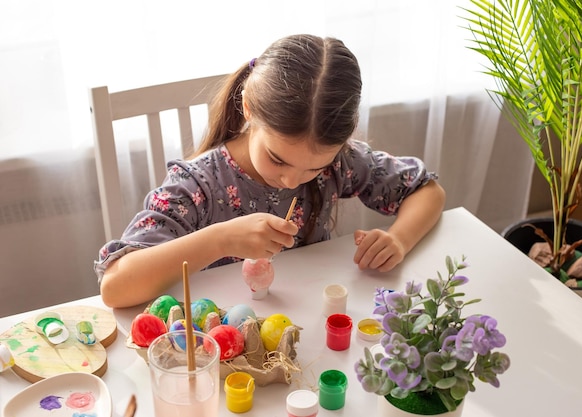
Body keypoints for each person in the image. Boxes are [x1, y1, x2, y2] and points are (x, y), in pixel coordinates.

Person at [95, 34, 446, 308]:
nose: (292, 180)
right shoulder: (198, 185)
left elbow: (427, 191)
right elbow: (115, 286)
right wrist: (221, 239)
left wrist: (398, 239)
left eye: (315, 167)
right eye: (278, 159)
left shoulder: (341, 162)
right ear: (248, 108)